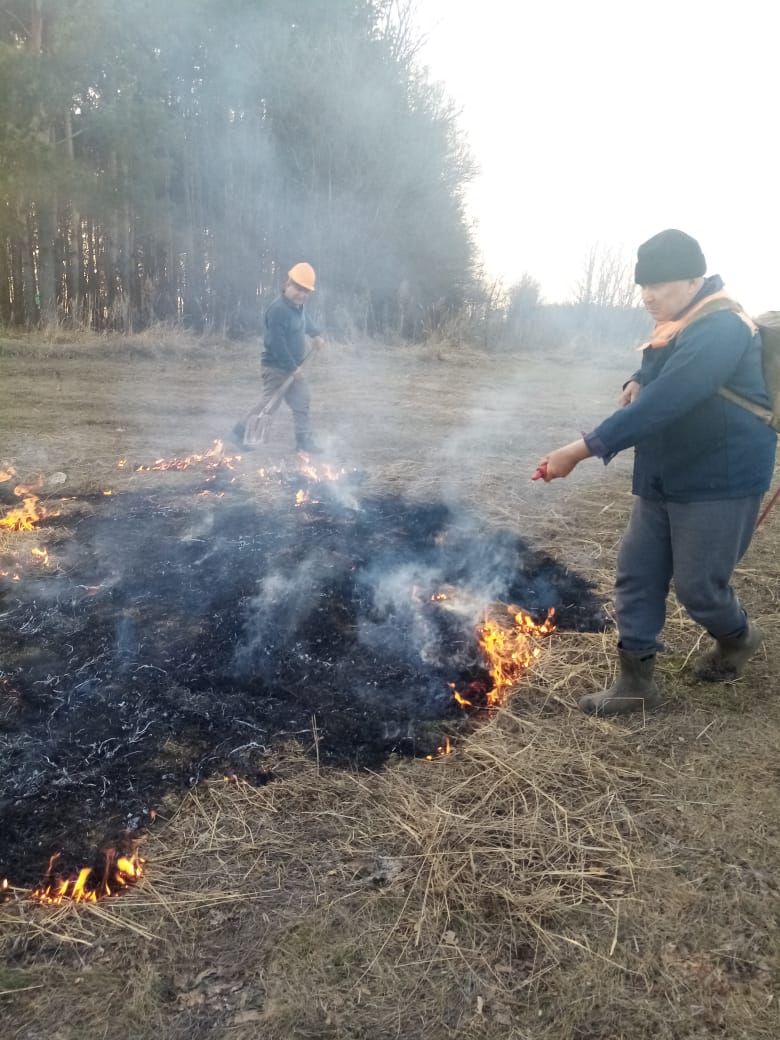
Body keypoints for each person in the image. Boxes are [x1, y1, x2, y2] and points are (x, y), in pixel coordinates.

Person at [535, 229, 777, 716]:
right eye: (643, 285)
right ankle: (636, 682)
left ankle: (739, 638)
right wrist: (637, 377)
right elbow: (659, 369)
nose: (648, 295)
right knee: (636, 574)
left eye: (660, 284)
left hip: (719, 480)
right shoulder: (678, 322)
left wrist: (580, 450)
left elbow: (670, 399)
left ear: (694, 279)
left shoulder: (723, 327)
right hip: (665, 474)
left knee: (699, 588)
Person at [237, 262, 326, 453]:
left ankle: (303, 442)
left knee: (302, 400)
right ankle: (239, 433)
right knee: (268, 404)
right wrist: (292, 367)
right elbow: (277, 344)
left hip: (294, 367)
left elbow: (304, 321)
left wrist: (315, 334)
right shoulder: (277, 310)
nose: (301, 294)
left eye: (306, 291)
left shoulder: (297, 306)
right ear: (288, 284)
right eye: (298, 289)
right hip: (276, 367)